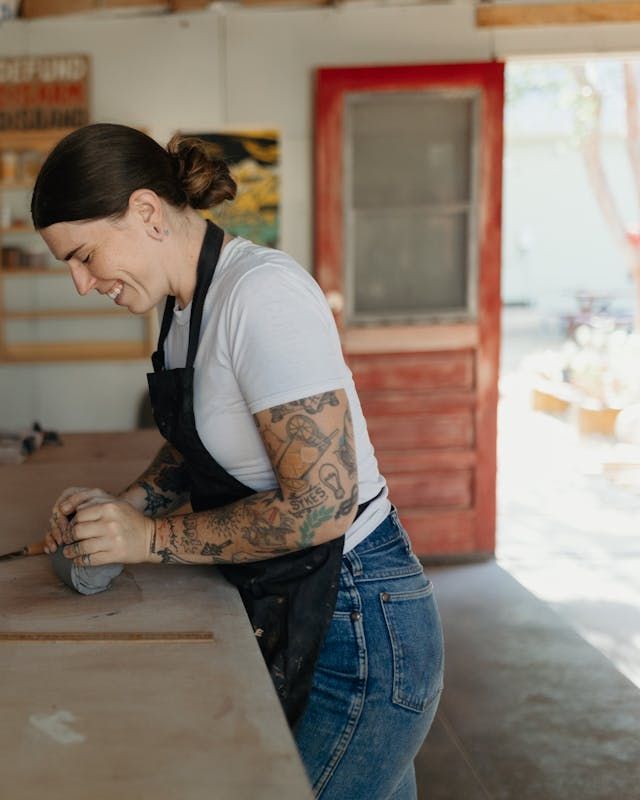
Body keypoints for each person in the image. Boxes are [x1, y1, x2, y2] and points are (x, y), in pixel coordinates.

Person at [30, 123, 444, 800]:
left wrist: (149, 540)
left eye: (84, 255)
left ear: (144, 212)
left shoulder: (261, 298)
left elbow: (322, 505)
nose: (81, 283)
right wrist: (122, 509)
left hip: (361, 625)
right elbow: (203, 435)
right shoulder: (185, 307)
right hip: (296, 601)